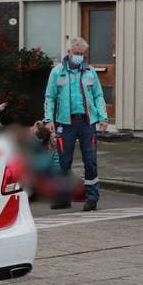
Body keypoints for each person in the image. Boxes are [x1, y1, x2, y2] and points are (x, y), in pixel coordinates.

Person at [42, 37, 108, 212]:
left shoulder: (89, 72)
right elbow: (50, 97)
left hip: (87, 123)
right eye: (76, 53)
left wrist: (103, 118)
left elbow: (98, 95)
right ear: (69, 52)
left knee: (90, 161)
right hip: (66, 123)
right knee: (63, 162)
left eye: (82, 54)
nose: (79, 56)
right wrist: (49, 119)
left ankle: (92, 198)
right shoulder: (57, 72)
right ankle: (63, 198)